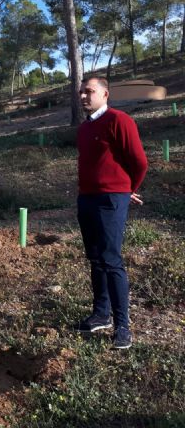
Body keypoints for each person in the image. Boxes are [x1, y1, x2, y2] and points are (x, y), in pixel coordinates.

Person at [74, 77, 148, 350]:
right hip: (87, 199)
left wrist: (127, 189)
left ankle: (123, 326)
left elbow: (139, 161)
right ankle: (101, 314)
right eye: (81, 92)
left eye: (89, 91)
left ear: (105, 94)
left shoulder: (120, 120)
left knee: (111, 260)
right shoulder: (85, 128)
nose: (83, 96)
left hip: (111, 200)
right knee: (95, 258)